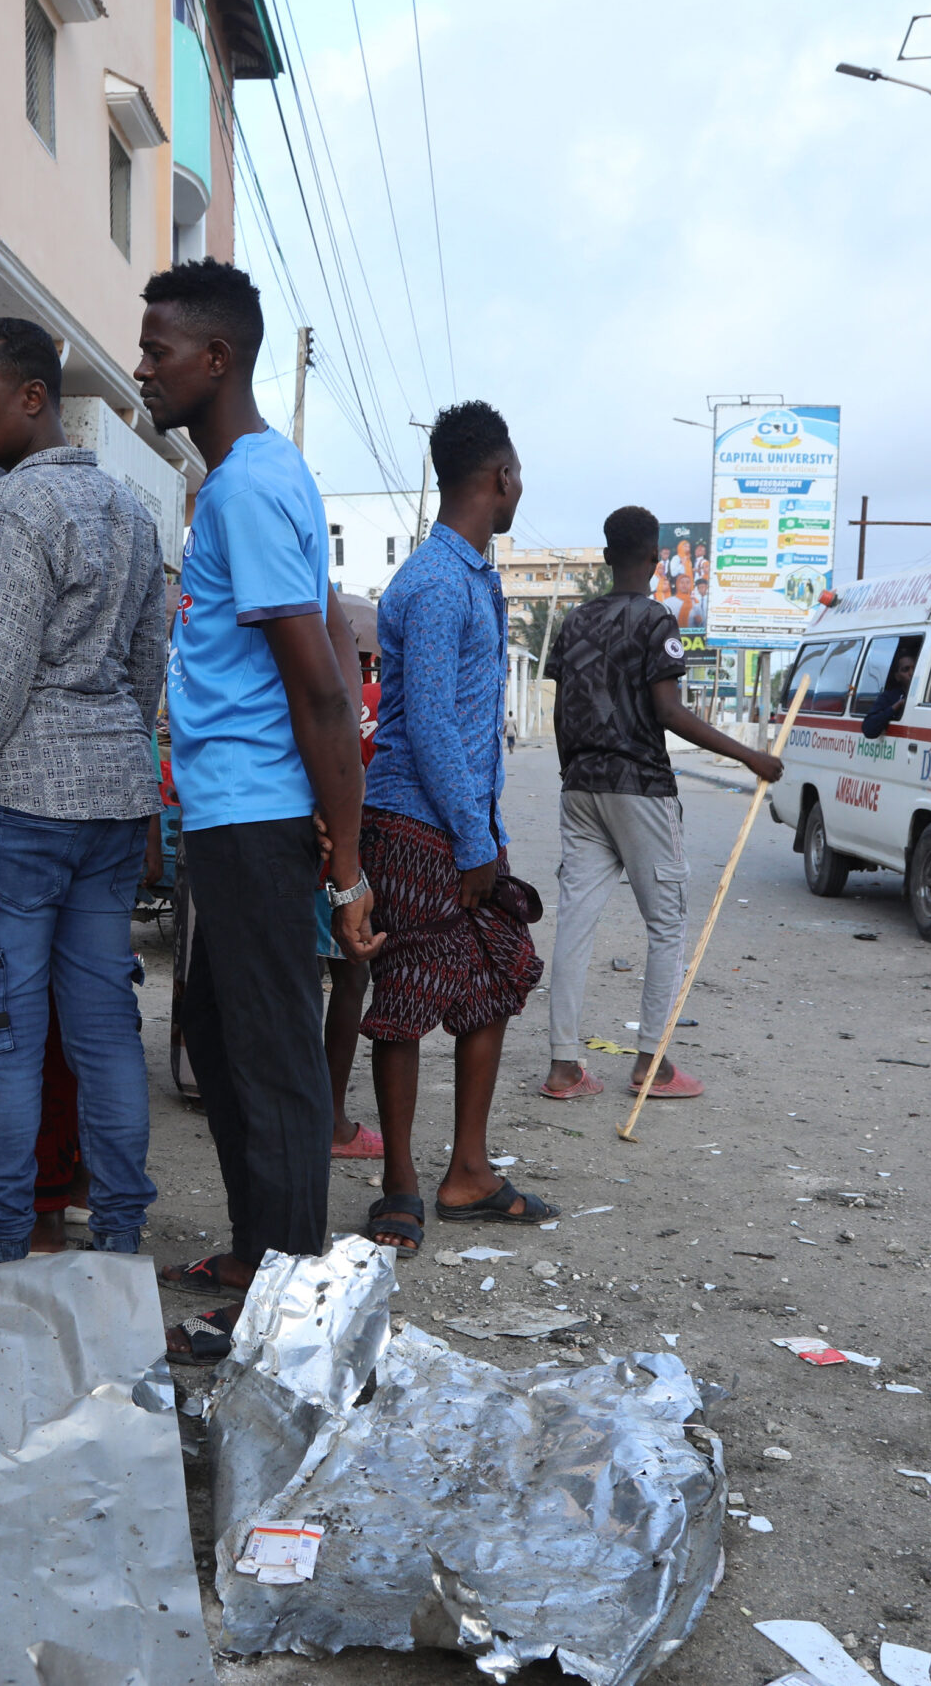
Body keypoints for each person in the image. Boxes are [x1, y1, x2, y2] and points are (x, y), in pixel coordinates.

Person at [133, 259, 378, 1359]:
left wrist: (348, 862)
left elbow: (324, 684)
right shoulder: (243, 479)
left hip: (256, 818)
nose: (143, 370)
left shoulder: (245, 486)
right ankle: (251, 1255)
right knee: (225, 1044)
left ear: (215, 360)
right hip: (228, 812)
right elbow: (321, 629)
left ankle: (282, 1316)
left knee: (273, 1059)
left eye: (157, 352)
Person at [0, 317, 170, 1267]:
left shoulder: (13, 516)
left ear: (31, 398)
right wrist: (129, 776)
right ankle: (122, 1235)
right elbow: (147, 663)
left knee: (5, 1038)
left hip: (19, 808)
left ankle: (8, 1239)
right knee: (103, 1027)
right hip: (107, 799)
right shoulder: (132, 512)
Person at [355, 401, 553, 1258]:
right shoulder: (437, 582)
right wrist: (475, 841)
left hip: (464, 820)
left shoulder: (471, 574)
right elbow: (431, 725)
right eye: (518, 473)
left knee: (499, 970)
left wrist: (488, 831)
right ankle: (401, 1181)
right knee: (403, 997)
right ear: (498, 476)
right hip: (413, 820)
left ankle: (467, 1169)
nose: (520, 488)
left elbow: (465, 728)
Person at [539, 505, 785, 1104]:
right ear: (654, 561)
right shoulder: (656, 620)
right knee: (668, 924)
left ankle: (564, 1069)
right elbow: (668, 712)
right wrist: (751, 756)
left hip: (581, 787)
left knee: (574, 922)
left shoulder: (573, 622)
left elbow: (561, 706)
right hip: (641, 789)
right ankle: (653, 1064)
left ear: (604, 557)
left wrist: (573, 767)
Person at [324, 596, 384, 1161]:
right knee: (349, 982)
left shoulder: (307, 696)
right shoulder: (384, 700)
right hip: (353, 865)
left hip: (303, 849)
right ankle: (334, 1119)